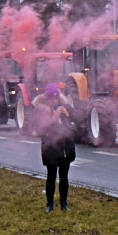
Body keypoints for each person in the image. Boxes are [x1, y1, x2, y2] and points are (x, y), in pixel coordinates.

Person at [32, 83, 76, 213]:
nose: (54, 101)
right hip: (50, 148)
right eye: (52, 98)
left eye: (56, 98)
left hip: (65, 147)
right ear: (47, 98)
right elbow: (38, 129)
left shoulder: (66, 106)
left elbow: (77, 123)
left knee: (64, 176)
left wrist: (68, 116)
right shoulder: (41, 109)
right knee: (51, 176)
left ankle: (64, 203)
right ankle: (50, 204)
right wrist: (53, 119)